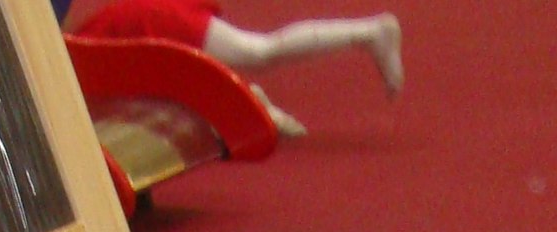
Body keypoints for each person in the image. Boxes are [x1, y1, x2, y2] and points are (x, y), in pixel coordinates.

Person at [62, 0, 402, 139]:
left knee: (260, 51)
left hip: (154, 20)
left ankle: (370, 32)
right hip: (146, 22)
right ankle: (252, 100)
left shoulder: (73, 65)